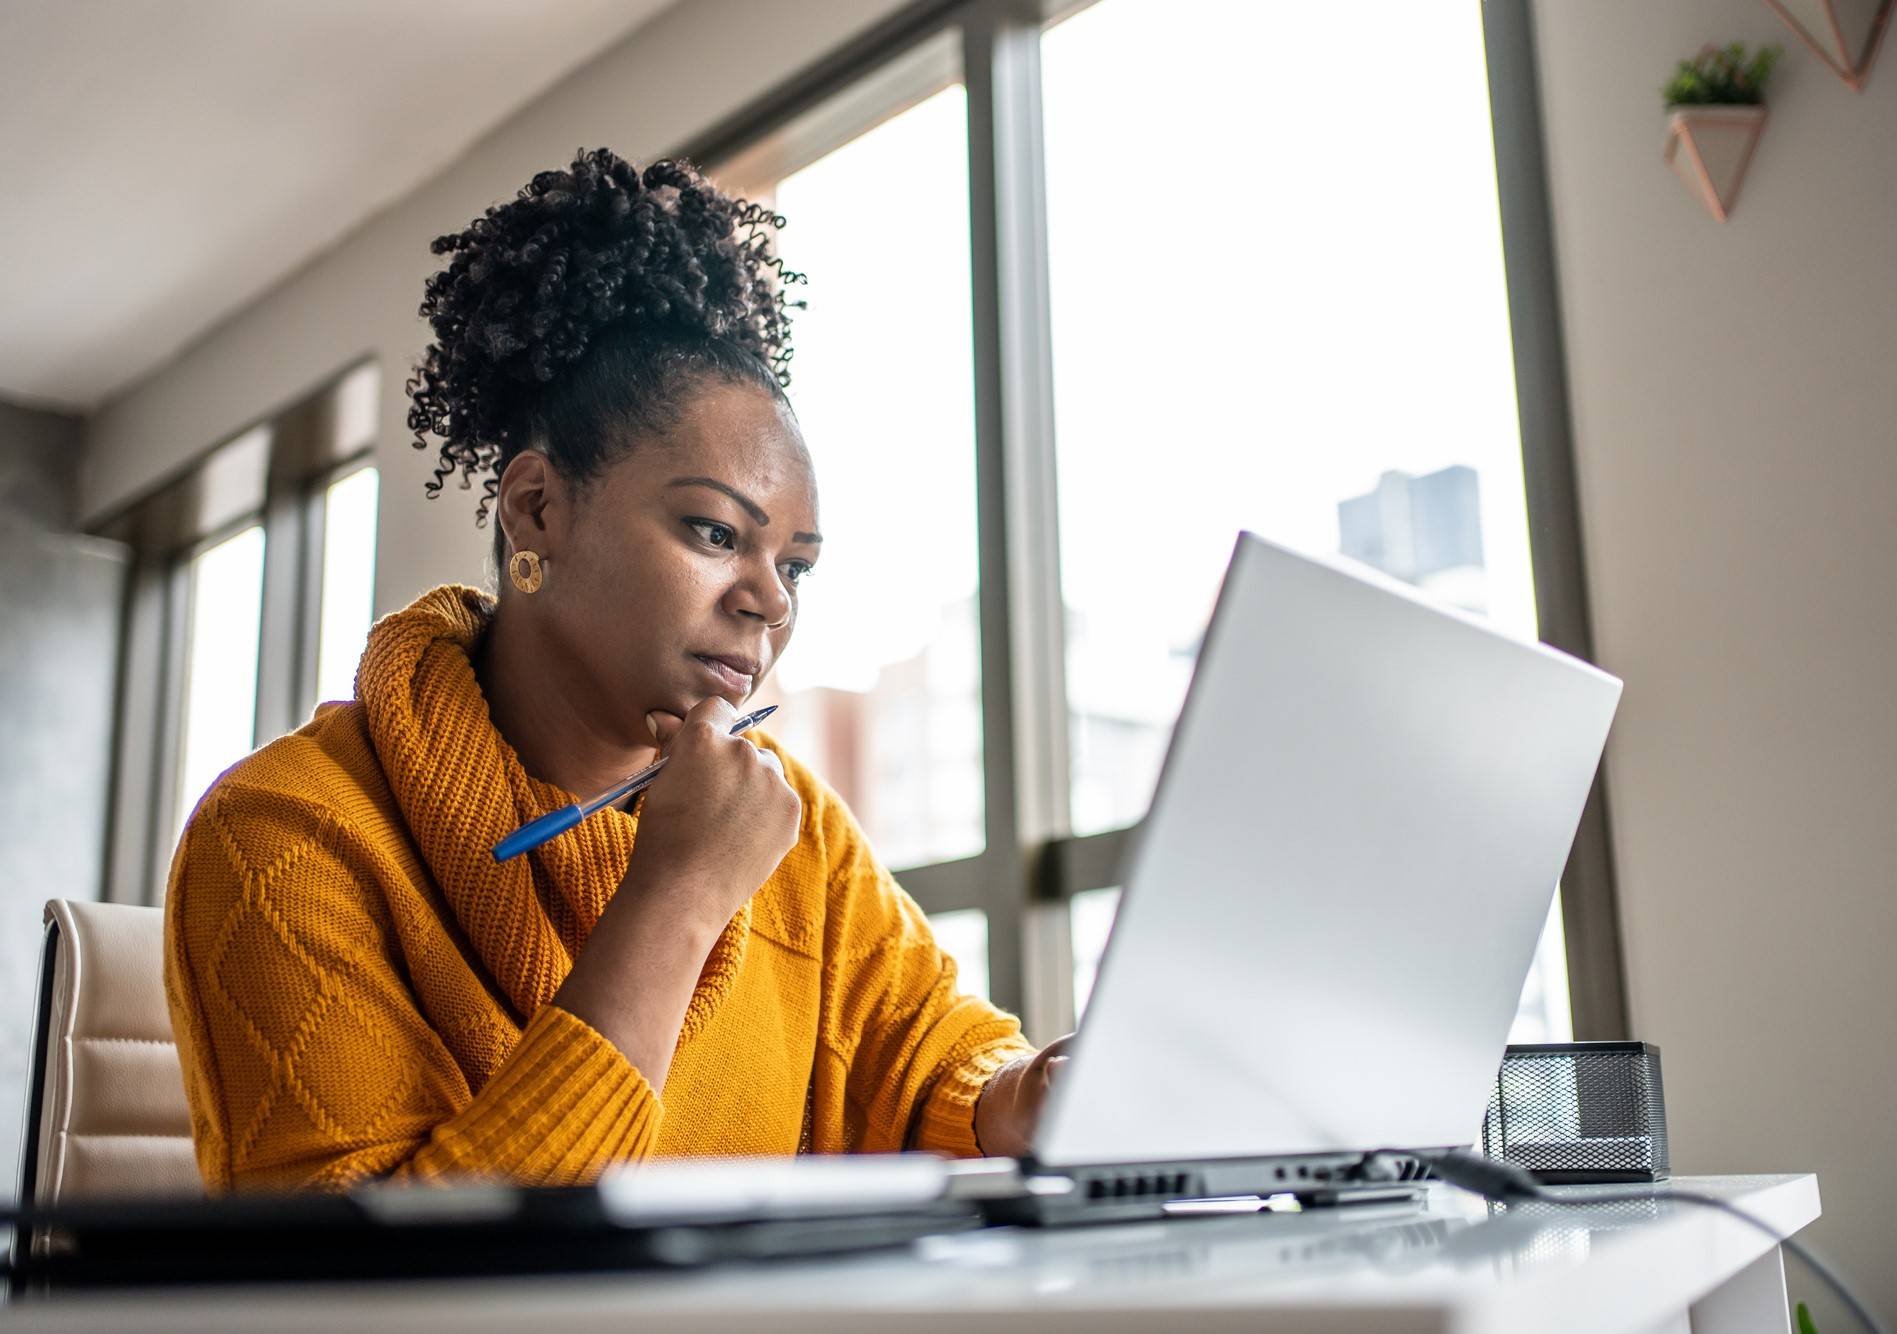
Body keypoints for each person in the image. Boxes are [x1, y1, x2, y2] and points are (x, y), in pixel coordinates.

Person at [163, 149, 1067, 1191]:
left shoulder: (795, 830)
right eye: (714, 530)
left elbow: (930, 1060)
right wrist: (679, 895)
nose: (770, 599)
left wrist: (1021, 1092)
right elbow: (377, 1299)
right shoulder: (286, 834)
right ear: (538, 508)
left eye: (796, 566)